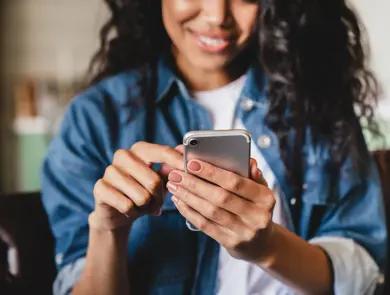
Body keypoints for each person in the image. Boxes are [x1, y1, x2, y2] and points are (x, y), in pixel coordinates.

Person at [41, 0, 387, 294]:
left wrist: (267, 247)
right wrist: (109, 230)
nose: (217, 15)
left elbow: (361, 273)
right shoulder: (96, 118)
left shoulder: (317, 105)